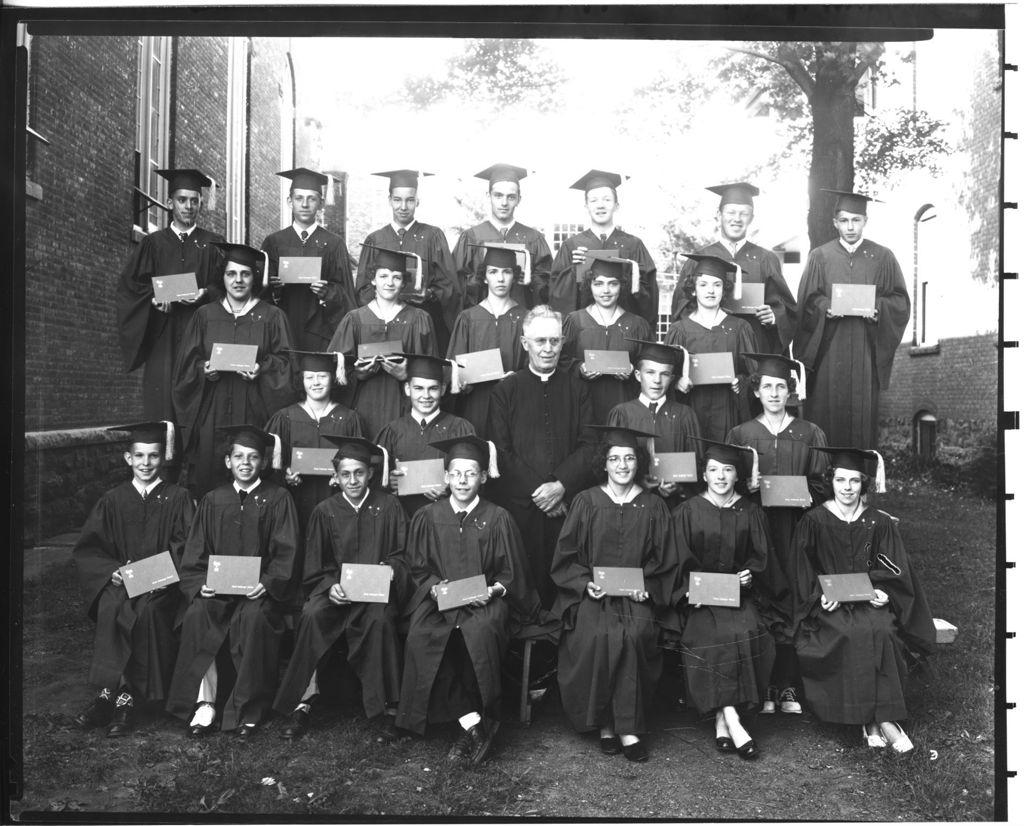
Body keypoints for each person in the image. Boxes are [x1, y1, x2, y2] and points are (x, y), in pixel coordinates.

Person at [395, 435, 539, 765]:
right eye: (456, 473)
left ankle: (473, 719)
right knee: (424, 634)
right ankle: (473, 723)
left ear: (483, 477)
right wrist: (432, 587)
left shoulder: (498, 517)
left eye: (471, 473)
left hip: (485, 602)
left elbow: (512, 572)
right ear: (445, 476)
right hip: (439, 600)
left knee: (479, 633)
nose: (462, 480)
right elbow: (417, 567)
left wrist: (494, 591)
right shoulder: (428, 516)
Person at [792, 447, 935, 753]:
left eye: (854, 481)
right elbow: (803, 571)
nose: (847, 487)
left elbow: (895, 568)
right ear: (831, 481)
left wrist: (887, 593)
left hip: (870, 601)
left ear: (863, 485)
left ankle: (879, 720)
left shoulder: (878, 521)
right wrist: (819, 598)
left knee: (882, 631)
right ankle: (875, 721)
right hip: (833, 604)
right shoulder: (814, 520)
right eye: (841, 480)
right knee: (849, 633)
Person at [550, 425, 676, 763]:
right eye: (615, 458)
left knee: (634, 634)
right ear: (603, 464)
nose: (622, 465)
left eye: (630, 458)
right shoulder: (586, 501)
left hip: (636, 597)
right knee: (596, 634)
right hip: (593, 595)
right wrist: (583, 583)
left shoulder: (652, 505)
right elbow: (566, 557)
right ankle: (606, 723)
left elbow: (665, 561)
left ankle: (628, 728)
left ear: (639, 463)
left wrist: (647, 588)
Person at [273, 435, 409, 740]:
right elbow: (314, 564)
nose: (353, 480)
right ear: (336, 476)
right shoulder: (325, 510)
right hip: (337, 595)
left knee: (381, 620)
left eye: (359, 473)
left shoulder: (390, 507)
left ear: (371, 474)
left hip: (375, 596)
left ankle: (388, 708)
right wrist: (329, 585)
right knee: (311, 614)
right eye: (345, 474)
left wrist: (392, 570)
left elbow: (404, 555)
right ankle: (303, 703)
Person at [165, 425, 299, 737]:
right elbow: (195, 553)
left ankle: (248, 707)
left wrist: (268, 582)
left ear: (263, 463)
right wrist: (200, 584)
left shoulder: (279, 499)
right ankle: (205, 704)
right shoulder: (213, 500)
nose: (246, 463)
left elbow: (287, 552)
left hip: (258, 593)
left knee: (255, 619)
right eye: (239, 456)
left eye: (253, 457)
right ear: (228, 462)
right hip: (218, 591)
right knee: (198, 613)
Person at [71, 421, 194, 737]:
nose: (146, 463)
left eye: (153, 456)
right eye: (139, 456)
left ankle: (117, 697)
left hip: (162, 587)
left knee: (145, 611)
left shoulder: (178, 497)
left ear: (162, 459)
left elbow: (188, 547)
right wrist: (109, 570)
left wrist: (165, 576)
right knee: (113, 605)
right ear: (128, 459)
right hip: (122, 582)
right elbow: (91, 548)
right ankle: (116, 695)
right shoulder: (112, 499)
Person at [726, 352, 829, 715]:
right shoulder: (741, 434)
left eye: (780, 386)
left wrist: (797, 493)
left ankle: (787, 685)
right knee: (762, 598)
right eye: (767, 386)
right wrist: (748, 484)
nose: (773, 393)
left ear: (791, 391)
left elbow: (821, 486)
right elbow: (729, 486)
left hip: (796, 531)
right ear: (757, 391)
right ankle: (764, 683)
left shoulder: (809, 433)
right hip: (756, 530)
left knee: (795, 599)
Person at [672, 438, 777, 760]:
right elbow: (675, 562)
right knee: (712, 635)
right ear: (703, 475)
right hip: (700, 601)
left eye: (727, 470)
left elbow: (762, 559)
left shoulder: (751, 511)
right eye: (714, 470)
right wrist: (689, 589)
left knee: (747, 631)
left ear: (737, 475)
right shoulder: (686, 511)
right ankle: (734, 719)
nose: (720, 476)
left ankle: (721, 718)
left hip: (738, 597)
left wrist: (750, 574)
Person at [487, 305, 597, 608]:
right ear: (525, 344)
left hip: (567, 506)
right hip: (521, 508)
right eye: (540, 341)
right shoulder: (505, 390)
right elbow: (500, 451)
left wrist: (560, 486)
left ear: (563, 342)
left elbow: (590, 445)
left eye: (554, 341)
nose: (548, 349)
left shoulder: (579, 389)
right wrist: (540, 493)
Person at [172, 242, 294, 500]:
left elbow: (286, 363)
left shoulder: (272, 316)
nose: (238, 280)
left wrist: (263, 368)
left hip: (254, 407)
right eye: (231, 274)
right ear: (223, 277)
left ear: (255, 277)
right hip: (212, 408)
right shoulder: (204, 315)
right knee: (209, 477)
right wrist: (202, 370)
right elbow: (186, 365)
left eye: (245, 274)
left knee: (252, 474)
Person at [793, 189, 910, 450]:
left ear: (865, 221)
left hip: (864, 350)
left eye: (856, 220)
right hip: (828, 351)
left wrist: (878, 307)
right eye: (844, 220)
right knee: (825, 413)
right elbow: (807, 303)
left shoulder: (883, 257)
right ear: (835, 223)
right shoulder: (820, 257)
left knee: (860, 416)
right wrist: (825, 307)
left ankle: (858, 484)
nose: (850, 227)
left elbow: (900, 302)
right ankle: (822, 481)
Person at [116, 168, 225, 426]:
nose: (188, 206)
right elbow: (130, 287)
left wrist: (206, 293)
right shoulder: (153, 244)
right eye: (182, 200)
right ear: (169, 203)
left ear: (200, 203)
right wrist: (153, 297)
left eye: (194, 200)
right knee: (161, 408)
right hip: (162, 338)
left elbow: (227, 287)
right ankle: (165, 465)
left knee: (201, 404)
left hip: (200, 338)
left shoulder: (214, 244)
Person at [265, 350, 364, 600]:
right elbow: (270, 464)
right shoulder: (285, 417)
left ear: (333, 378)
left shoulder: (348, 418)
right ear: (302, 380)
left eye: (322, 376)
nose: (316, 383)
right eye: (310, 377)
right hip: (296, 499)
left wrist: (342, 478)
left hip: (333, 500)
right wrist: (285, 475)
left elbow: (358, 462)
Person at [670, 182, 796, 355]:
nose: (737, 219)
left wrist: (773, 316)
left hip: (755, 347)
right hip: (709, 349)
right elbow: (681, 307)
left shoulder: (766, 259)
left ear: (751, 218)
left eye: (744, 213)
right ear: (719, 215)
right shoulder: (699, 258)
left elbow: (786, 307)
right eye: (731, 212)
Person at [328, 245, 438, 439]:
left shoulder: (419, 319)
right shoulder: (354, 319)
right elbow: (333, 371)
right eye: (383, 276)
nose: (390, 283)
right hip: (362, 406)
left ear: (404, 282)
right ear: (373, 279)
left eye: (396, 277)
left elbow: (433, 369)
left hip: (405, 407)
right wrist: (358, 375)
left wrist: (408, 374)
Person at [355, 170, 460, 352]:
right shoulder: (375, 240)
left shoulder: (432, 236)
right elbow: (363, 289)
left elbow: (450, 286)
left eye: (410, 200)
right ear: (389, 200)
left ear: (417, 201)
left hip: (423, 326)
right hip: (383, 328)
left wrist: (430, 294)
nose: (403, 206)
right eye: (397, 200)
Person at [261, 168, 357, 353]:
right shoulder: (273, 242)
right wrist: (275, 291)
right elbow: (260, 294)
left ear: (320, 203)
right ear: (289, 201)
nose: (305, 204)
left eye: (312, 198)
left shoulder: (334, 244)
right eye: (299, 198)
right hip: (283, 329)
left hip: (321, 331)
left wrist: (327, 292)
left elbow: (347, 295)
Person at [666, 253, 756, 442]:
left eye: (717, 285)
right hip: (691, 409)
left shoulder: (740, 328)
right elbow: (666, 373)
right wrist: (676, 383)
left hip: (729, 410)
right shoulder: (679, 330)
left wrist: (742, 381)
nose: (710, 291)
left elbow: (754, 373)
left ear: (724, 290)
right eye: (703, 285)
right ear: (693, 289)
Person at [548, 170, 658, 323]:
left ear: (616, 205)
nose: (600, 205)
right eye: (593, 200)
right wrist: (573, 271)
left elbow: (649, 297)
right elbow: (556, 295)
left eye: (606, 199)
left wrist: (628, 273)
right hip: (582, 331)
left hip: (624, 330)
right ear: (586, 206)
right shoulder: (571, 246)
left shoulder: (633, 245)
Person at [375, 354, 475, 519]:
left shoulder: (460, 428)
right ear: (407, 389)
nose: (426, 396)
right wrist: (387, 482)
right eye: (419, 388)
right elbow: (371, 477)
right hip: (402, 519)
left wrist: (451, 488)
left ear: (442, 389)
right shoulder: (392, 431)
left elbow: (476, 476)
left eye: (433, 388)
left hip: (447, 519)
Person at [606, 338, 703, 505]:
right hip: (631, 505)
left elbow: (699, 467)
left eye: (664, 374)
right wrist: (636, 483)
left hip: (675, 507)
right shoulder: (621, 413)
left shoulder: (685, 415)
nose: (657, 381)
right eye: (650, 372)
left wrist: (679, 488)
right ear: (638, 375)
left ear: (672, 377)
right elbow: (608, 463)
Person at [445, 244, 527, 436]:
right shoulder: (468, 318)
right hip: (475, 406)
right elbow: (452, 369)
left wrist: (518, 379)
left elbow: (533, 367)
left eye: (506, 272)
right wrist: (460, 383)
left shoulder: (526, 317)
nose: (500, 278)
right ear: (484, 276)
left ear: (514, 275)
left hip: (514, 406)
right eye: (493, 272)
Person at [559, 256, 651, 423]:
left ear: (622, 286)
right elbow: (560, 359)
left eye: (613, 283)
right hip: (583, 407)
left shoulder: (637, 325)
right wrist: (580, 368)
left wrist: (633, 370)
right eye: (598, 283)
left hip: (625, 407)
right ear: (589, 285)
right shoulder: (574, 321)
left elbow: (649, 364)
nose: (606, 290)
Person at [452, 163, 553, 309]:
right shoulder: (471, 237)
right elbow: (456, 286)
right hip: (481, 323)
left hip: (523, 321)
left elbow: (548, 287)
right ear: (489, 196)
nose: (504, 203)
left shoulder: (534, 239)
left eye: (511, 197)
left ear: (519, 199)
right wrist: (481, 278)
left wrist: (532, 281)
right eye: (498, 195)